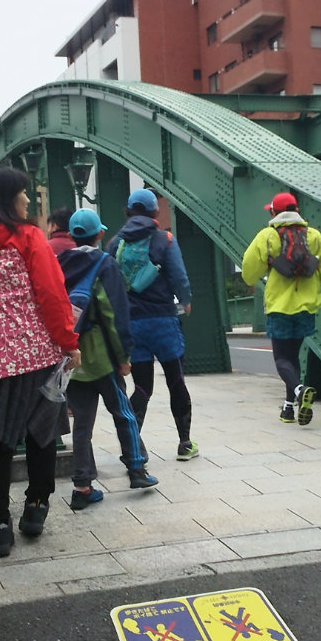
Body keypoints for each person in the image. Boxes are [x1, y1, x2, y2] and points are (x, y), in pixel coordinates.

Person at [0, 166, 81, 558]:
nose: (27, 199)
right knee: (43, 434)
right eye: (22, 193)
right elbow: (52, 294)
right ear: (7, 198)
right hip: (36, 353)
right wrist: (69, 342)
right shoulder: (27, 237)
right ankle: (36, 506)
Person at [57, 208, 158, 503]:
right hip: (102, 355)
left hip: (73, 357)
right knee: (122, 411)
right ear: (100, 234)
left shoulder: (59, 264)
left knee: (82, 424)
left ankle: (82, 487)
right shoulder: (105, 264)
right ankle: (137, 469)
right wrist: (124, 356)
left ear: (71, 235)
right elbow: (115, 315)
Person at [106, 188, 198, 461]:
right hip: (163, 322)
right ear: (155, 211)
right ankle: (185, 444)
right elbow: (179, 276)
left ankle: (133, 447)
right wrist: (185, 299)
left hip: (133, 324)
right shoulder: (165, 239)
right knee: (176, 380)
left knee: (142, 387)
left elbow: (108, 283)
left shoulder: (115, 243)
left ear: (128, 211)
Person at [240, 192, 321, 425]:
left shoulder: (267, 236)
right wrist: (320, 279)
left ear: (274, 212)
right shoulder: (313, 235)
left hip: (280, 307)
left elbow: (249, 271)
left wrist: (257, 275)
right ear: (297, 211)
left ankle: (300, 390)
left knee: (282, 359)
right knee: (293, 356)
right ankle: (288, 409)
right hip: (306, 306)